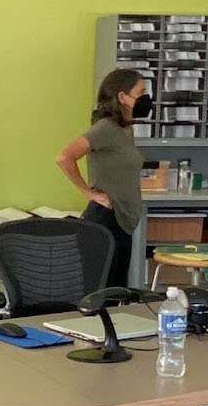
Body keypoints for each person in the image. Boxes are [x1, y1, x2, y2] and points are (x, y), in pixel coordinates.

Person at [57, 69, 152, 290]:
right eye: (141, 92)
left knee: (117, 293)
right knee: (102, 292)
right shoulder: (105, 129)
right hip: (106, 218)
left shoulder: (125, 130)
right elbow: (64, 157)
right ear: (122, 97)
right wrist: (89, 193)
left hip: (124, 222)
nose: (146, 98)